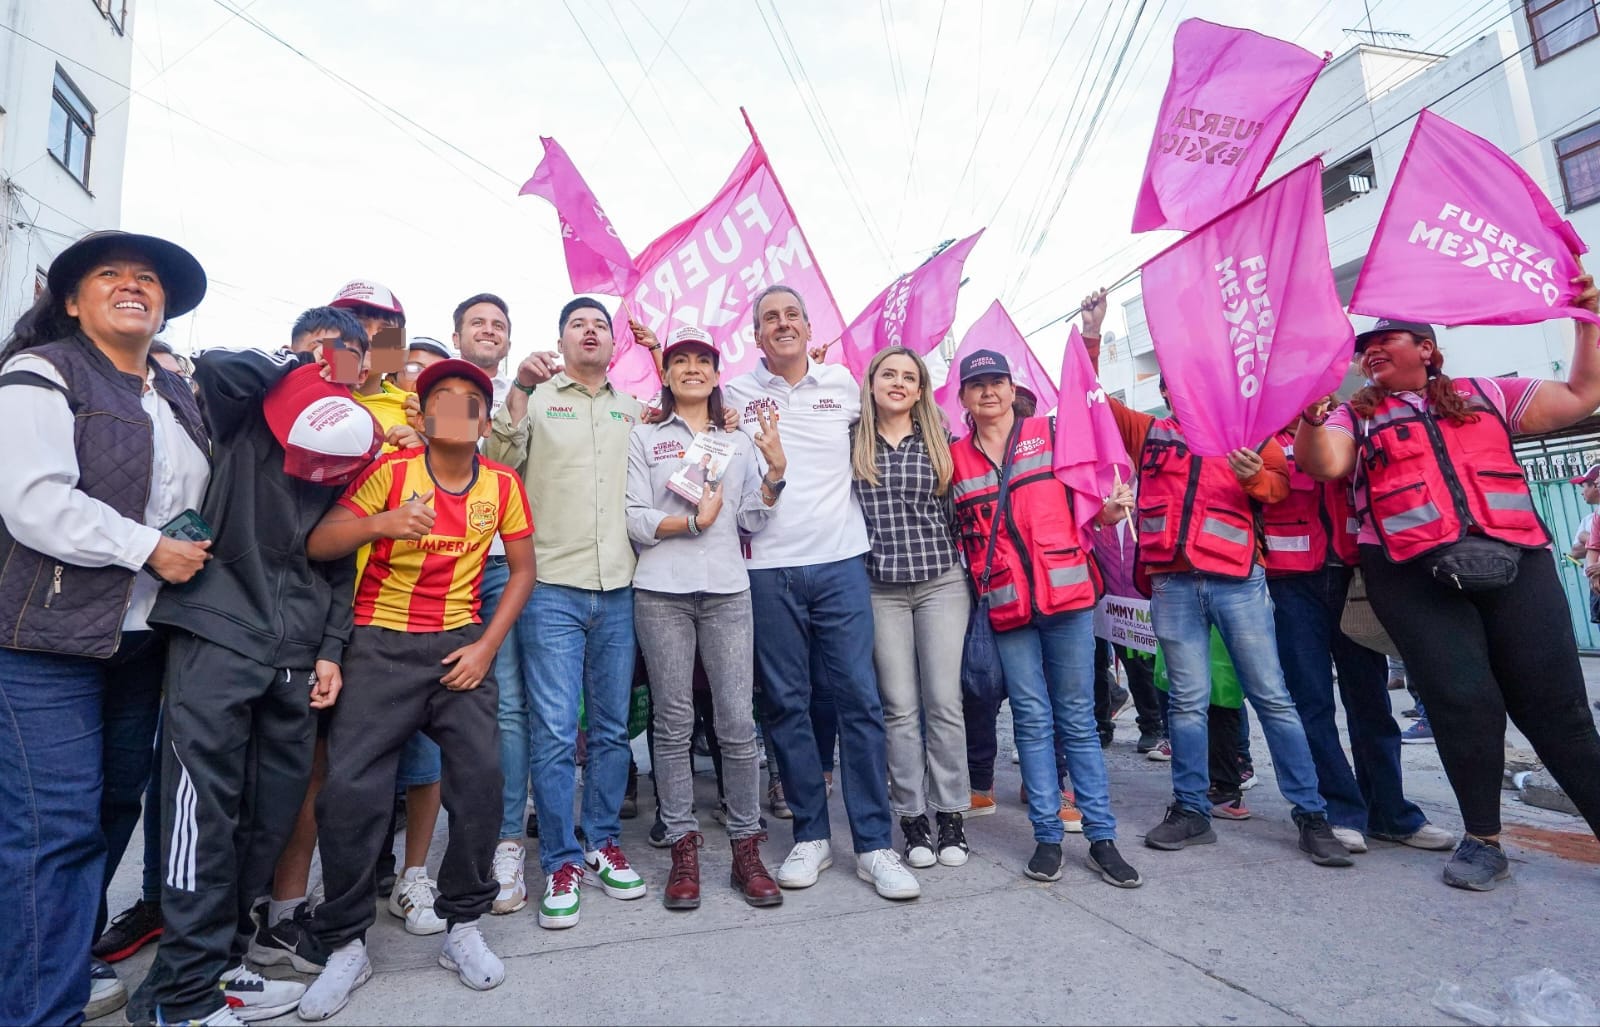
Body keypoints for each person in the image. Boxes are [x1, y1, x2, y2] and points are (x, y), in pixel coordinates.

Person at [1292, 288, 1600, 891]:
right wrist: (1309, 417)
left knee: (1558, 709)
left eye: (1385, 340)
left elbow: (1583, 395)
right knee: (1464, 702)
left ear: (1427, 350)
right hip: (1409, 575)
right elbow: (1323, 464)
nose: (1370, 352)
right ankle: (1484, 841)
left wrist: (1586, 323)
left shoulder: (1486, 394)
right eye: (1364, 348)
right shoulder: (1352, 415)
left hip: (1516, 563)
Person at [128, 308, 383, 1026]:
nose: (345, 368)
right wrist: (298, 366)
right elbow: (218, 365)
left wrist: (331, 648)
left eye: (354, 359)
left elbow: (335, 556)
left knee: (267, 820)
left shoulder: (344, 440)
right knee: (202, 815)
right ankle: (176, 996)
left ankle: (225, 963)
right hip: (219, 632)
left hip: (296, 653)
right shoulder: (251, 410)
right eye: (333, 353)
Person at [0, 231, 209, 1027]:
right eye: (110, 274)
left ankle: (56, 962)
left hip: (142, 637)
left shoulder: (176, 392)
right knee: (51, 832)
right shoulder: (41, 372)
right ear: (73, 299)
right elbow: (33, 500)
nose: (132, 285)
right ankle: (37, 1008)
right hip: (42, 643)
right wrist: (148, 547)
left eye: (147, 278)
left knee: (110, 811)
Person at [1078, 289, 1350, 869]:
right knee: (1187, 704)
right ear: (1166, 390)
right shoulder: (1149, 433)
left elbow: (1278, 492)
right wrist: (1092, 335)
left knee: (1273, 699)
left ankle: (1311, 815)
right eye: (1177, 380)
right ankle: (1192, 811)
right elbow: (1090, 400)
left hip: (1238, 582)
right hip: (1173, 585)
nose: (1186, 387)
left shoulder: (1254, 436)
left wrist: (1255, 479)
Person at [296, 358, 535, 1018]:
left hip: (459, 643)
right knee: (349, 790)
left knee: (483, 777)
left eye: (471, 402)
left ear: (485, 422)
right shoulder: (391, 473)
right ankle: (346, 941)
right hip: (379, 644)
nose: (458, 410)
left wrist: (485, 645)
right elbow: (320, 540)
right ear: (424, 417)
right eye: (443, 400)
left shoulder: (504, 482)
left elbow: (521, 570)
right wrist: (382, 523)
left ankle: (461, 925)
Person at [723, 285, 920, 900]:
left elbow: (904, 411)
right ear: (756, 336)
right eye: (769, 319)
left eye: (791, 316)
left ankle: (874, 844)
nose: (781, 325)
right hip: (766, 567)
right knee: (786, 703)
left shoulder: (843, 387)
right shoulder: (735, 395)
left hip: (840, 563)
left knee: (859, 700)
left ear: (810, 328)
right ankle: (811, 834)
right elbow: (679, 416)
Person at [950, 348, 1142, 887]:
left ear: (1013, 389)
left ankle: (1102, 838)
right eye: (977, 384)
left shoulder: (1053, 433)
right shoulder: (955, 459)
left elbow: (1089, 485)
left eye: (997, 381)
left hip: (1068, 600)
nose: (988, 391)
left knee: (1078, 721)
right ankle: (1047, 838)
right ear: (963, 398)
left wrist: (1106, 511)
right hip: (1008, 604)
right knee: (1031, 722)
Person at [487, 297, 648, 929]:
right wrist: (521, 393)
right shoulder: (535, 398)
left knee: (610, 729)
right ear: (560, 339)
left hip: (620, 587)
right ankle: (558, 858)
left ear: (613, 344)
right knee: (554, 732)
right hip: (550, 585)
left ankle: (602, 841)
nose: (590, 332)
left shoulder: (632, 410)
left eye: (600, 326)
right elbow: (497, 467)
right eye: (578, 325)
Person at [626, 325, 785, 910]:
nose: (692, 368)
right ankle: (682, 846)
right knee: (670, 726)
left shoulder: (739, 439)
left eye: (703, 360)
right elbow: (636, 518)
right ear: (666, 374)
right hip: (661, 591)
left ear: (717, 373)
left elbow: (749, 521)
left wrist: (772, 477)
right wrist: (687, 522)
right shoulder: (645, 437)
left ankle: (747, 846)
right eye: (680, 361)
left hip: (726, 592)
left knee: (737, 724)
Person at [1263, 412, 1454, 855]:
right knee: (1311, 702)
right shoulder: (1262, 440)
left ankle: (1391, 812)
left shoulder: (1351, 429)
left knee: (1371, 703)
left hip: (1358, 580)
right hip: (1292, 586)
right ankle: (1338, 810)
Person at [850, 346, 973, 870]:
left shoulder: (941, 441)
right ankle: (913, 819)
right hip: (879, 588)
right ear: (872, 382)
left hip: (941, 583)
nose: (898, 383)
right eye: (889, 374)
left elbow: (959, 510)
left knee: (943, 702)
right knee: (898, 707)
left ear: (920, 389)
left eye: (909, 377)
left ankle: (951, 816)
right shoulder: (850, 438)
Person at [438, 294, 540, 918]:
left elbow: (502, 472)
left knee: (506, 703)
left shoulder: (530, 391)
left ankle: (506, 838)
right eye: (478, 322)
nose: (490, 331)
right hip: (438, 563)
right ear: (456, 334)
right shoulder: (439, 390)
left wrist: (523, 393)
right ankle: (423, 859)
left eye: (500, 325)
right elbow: (476, 464)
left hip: (502, 564)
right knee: (438, 695)